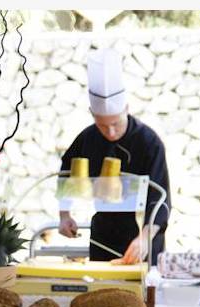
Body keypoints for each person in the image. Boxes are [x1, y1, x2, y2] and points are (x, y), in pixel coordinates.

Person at [58, 48, 171, 265]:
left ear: (126, 109)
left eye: (116, 124)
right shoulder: (87, 138)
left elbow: (161, 198)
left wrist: (145, 237)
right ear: (93, 115)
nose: (110, 132)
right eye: (102, 125)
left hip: (143, 239)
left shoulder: (149, 142)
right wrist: (64, 215)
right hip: (103, 236)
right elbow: (66, 171)